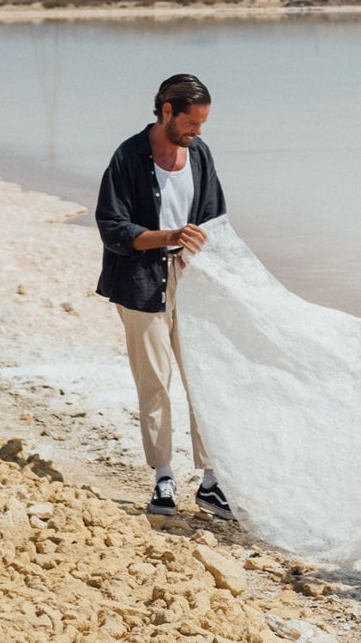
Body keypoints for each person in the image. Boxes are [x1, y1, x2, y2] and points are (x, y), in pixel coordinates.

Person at [95, 73, 235, 520]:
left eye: (203, 124)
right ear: (167, 111)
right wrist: (168, 237)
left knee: (204, 379)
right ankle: (164, 477)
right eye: (192, 123)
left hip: (191, 282)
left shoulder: (201, 154)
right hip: (138, 284)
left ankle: (211, 481)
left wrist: (201, 253)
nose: (198, 132)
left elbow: (215, 216)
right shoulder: (128, 157)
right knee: (155, 382)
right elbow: (113, 228)